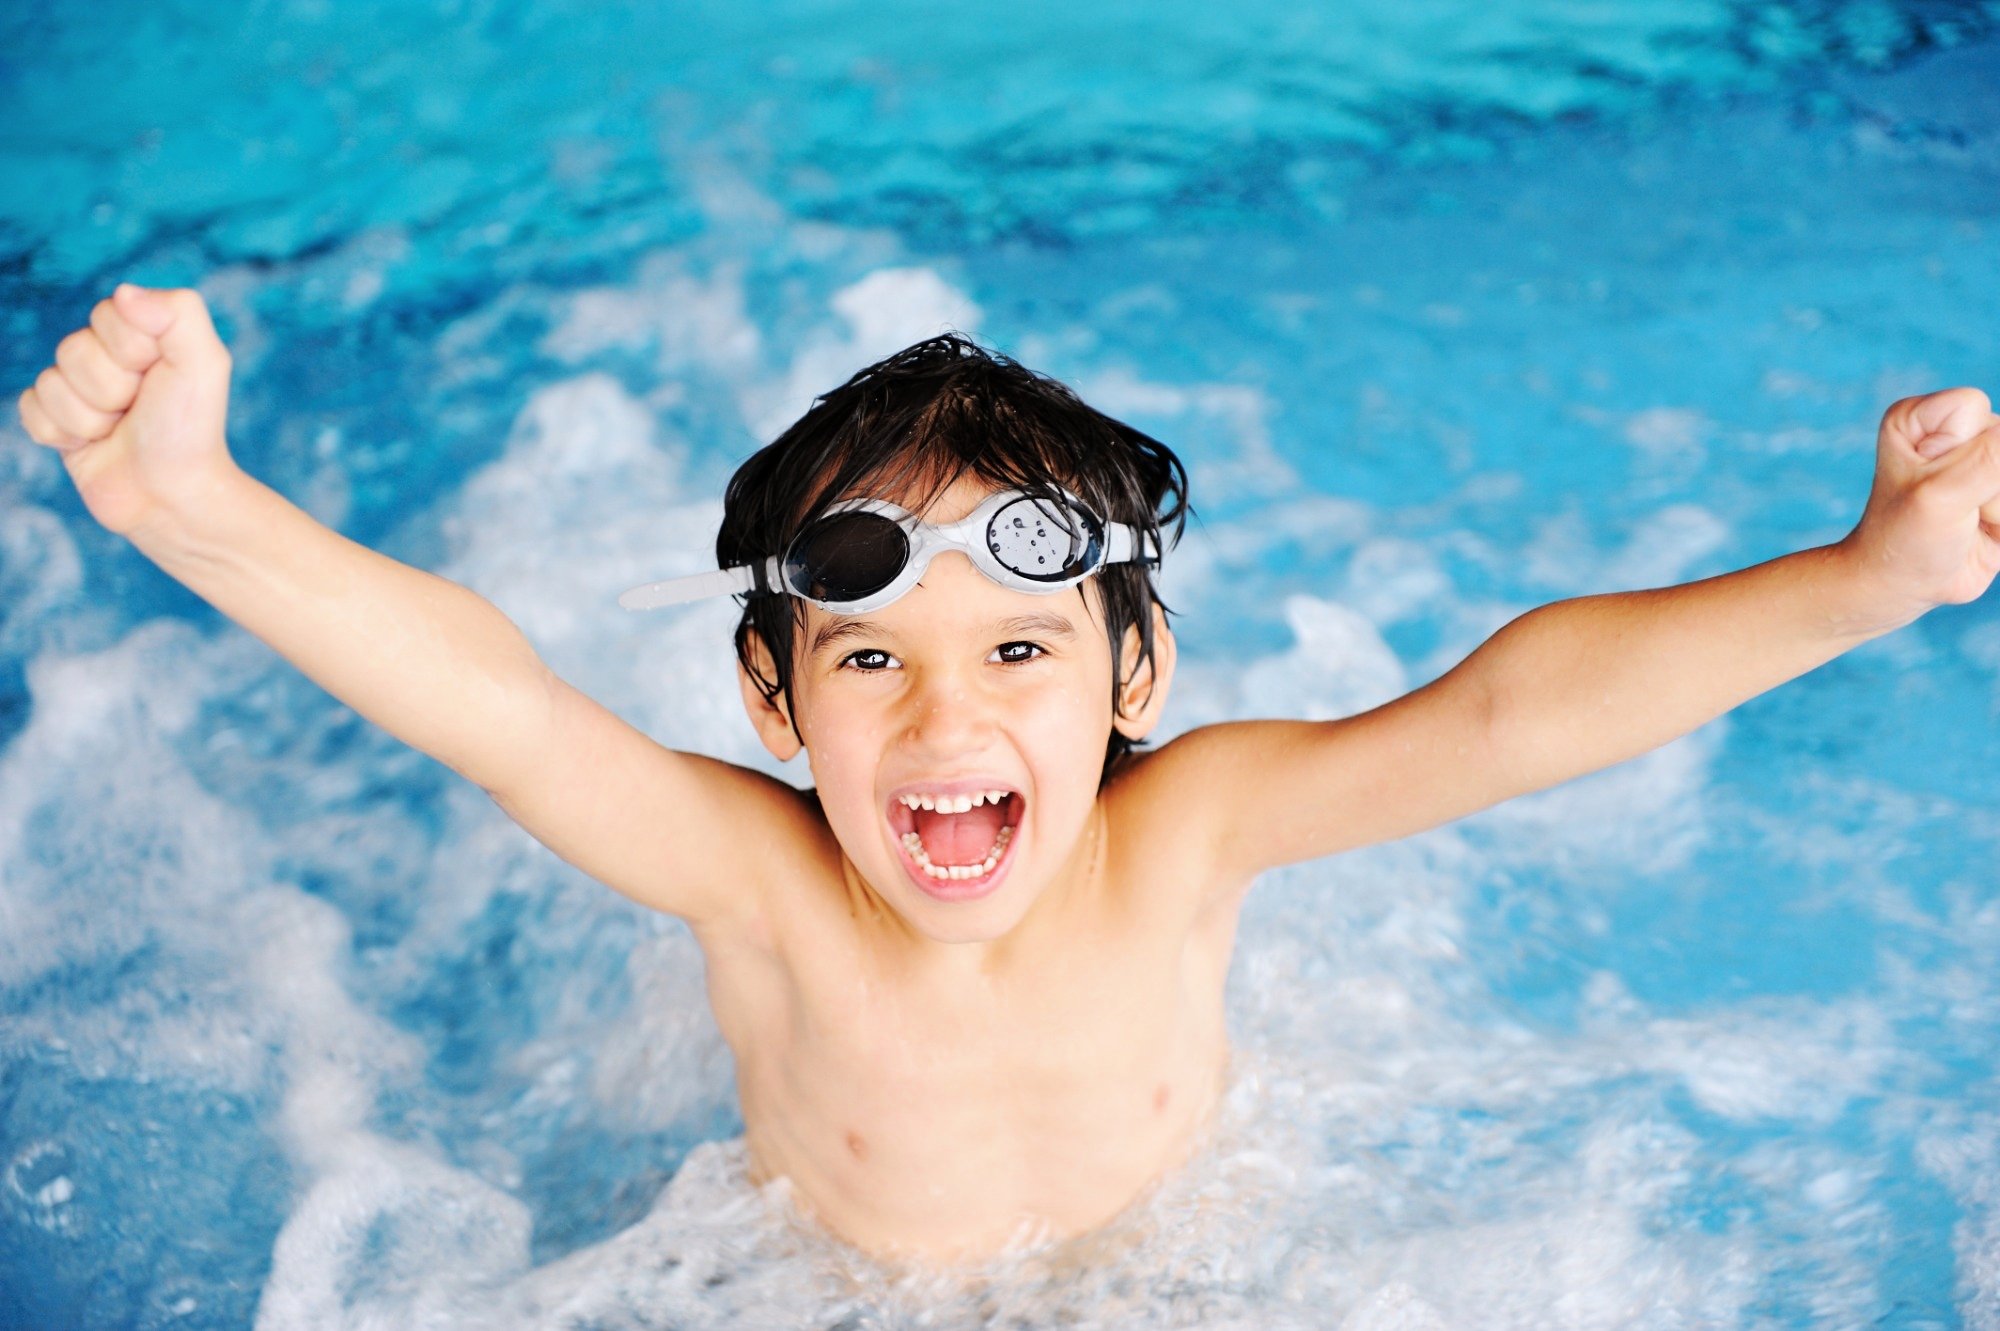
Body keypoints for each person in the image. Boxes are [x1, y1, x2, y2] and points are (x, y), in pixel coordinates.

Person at [15, 283, 2000, 1263]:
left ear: (1134, 674)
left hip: (1169, 1274)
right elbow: (505, 711)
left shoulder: (1188, 834)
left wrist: (1860, 580)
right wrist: (192, 505)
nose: (946, 725)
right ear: (776, 707)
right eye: (867, 659)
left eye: (1021, 655)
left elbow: (1495, 721)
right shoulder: (760, 879)